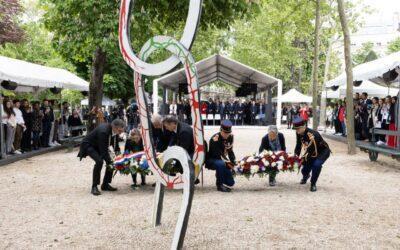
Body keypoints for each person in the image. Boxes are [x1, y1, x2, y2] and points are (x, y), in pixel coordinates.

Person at [78, 119, 125, 196]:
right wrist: (112, 160)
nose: (121, 133)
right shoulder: (104, 131)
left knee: (113, 161)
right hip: (88, 145)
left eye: (121, 131)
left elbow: (116, 146)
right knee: (100, 161)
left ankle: (105, 184)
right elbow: (103, 151)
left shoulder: (115, 131)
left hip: (98, 145)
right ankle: (94, 186)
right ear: (114, 127)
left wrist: (119, 157)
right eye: (120, 131)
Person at [293, 117, 330, 192]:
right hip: (311, 152)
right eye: (295, 129)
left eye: (298, 129)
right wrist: (295, 157)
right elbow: (298, 144)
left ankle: (313, 183)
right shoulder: (299, 133)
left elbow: (311, 151)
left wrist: (301, 161)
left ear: (304, 126)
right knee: (304, 170)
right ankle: (306, 176)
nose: (297, 131)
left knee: (316, 165)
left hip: (322, 152)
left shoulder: (313, 135)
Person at [207, 120, 236, 192]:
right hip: (212, 159)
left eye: (228, 133)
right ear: (221, 130)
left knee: (231, 183)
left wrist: (233, 162)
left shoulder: (230, 137)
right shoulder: (215, 139)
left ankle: (220, 175)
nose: (227, 135)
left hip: (222, 160)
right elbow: (216, 155)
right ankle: (219, 185)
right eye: (225, 133)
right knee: (221, 164)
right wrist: (228, 163)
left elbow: (230, 151)